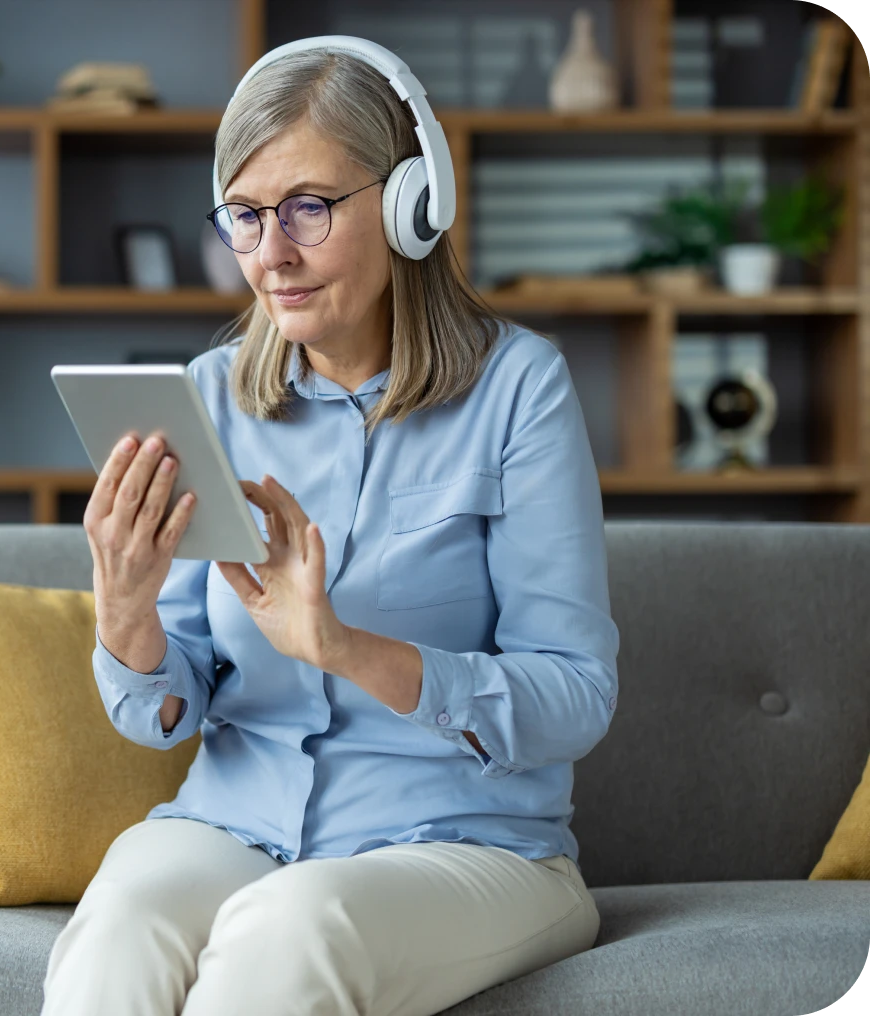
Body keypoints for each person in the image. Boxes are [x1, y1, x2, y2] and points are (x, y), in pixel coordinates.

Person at [42, 37, 619, 1016]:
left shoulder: (518, 390)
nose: (272, 253)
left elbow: (575, 695)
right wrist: (127, 614)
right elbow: (164, 702)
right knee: (123, 912)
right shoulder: (211, 397)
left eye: (308, 206)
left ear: (409, 205)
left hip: (463, 844)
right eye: (246, 215)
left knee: (290, 924)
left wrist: (346, 648)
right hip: (234, 821)